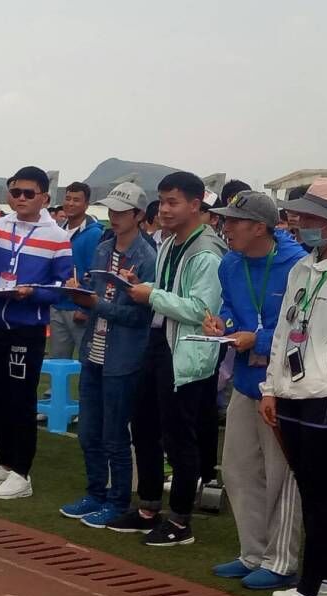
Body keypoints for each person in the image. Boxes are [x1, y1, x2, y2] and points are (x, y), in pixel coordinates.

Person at [111, 171, 226, 546]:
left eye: (173, 202)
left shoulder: (206, 251)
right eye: (161, 201)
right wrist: (144, 287)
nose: (164, 209)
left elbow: (202, 309)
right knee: (143, 425)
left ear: (195, 204)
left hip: (187, 350)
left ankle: (180, 520)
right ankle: (148, 508)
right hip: (161, 340)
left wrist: (153, 296)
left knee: (179, 437)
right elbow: (168, 289)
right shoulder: (169, 242)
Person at [202, 191, 305, 589]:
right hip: (246, 382)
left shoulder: (297, 265)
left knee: (281, 475)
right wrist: (223, 326)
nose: (225, 227)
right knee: (238, 468)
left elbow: (301, 327)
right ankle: (252, 553)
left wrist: (257, 339)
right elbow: (229, 307)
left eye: (233, 221)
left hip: (285, 386)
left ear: (259, 227)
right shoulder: (230, 263)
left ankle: (281, 561)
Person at [0, 166, 73, 499]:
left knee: (21, 400)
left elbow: (63, 287)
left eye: (29, 193)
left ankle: (22, 474)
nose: (21, 198)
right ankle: (5, 462)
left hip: (27, 328)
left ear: (45, 198)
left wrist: (33, 293)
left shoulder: (57, 237)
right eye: (15, 192)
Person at [258, 177, 327, 596]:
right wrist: (271, 387)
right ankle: (326, 581)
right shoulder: (301, 268)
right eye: (299, 214)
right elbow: (284, 332)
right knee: (311, 490)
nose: (299, 222)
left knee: (323, 498)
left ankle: (306, 595)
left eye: (310, 216)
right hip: (292, 392)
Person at [59, 182, 157, 526]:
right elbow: (96, 293)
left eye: (122, 212)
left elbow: (140, 317)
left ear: (139, 215)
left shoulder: (147, 258)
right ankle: (96, 493)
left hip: (123, 357)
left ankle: (117, 500)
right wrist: (79, 291)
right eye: (112, 210)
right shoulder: (103, 249)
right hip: (95, 351)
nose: (114, 217)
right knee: (89, 432)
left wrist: (94, 303)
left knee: (115, 434)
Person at [50, 181, 103, 359]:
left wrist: (85, 308)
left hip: (79, 306)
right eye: (68, 198)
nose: (70, 203)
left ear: (86, 204)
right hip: (57, 304)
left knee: (86, 359)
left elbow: (95, 272)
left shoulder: (94, 233)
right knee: (58, 359)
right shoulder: (58, 231)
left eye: (76, 200)